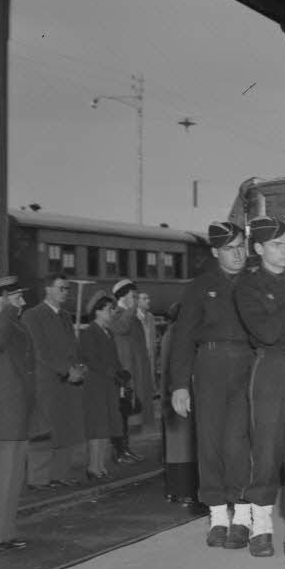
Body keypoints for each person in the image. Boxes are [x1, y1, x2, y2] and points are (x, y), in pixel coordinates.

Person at [168, 221, 253, 549]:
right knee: (210, 441)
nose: (238, 254)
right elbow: (184, 336)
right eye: (230, 248)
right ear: (216, 251)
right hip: (210, 367)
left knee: (239, 441)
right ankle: (218, 516)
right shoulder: (200, 286)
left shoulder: (254, 282)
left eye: (242, 246)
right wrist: (179, 384)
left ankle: (243, 516)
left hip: (247, 364)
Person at [234, 216, 285, 559]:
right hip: (270, 368)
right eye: (277, 245)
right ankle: (261, 527)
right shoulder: (248, 286)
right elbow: (268, 332)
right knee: (266, 451)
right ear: (259, 248)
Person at [22, 273, 87, 489]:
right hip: (46, 382)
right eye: (61, 288)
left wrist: (79, 367)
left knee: (65, 428)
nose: (65, 292)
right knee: (44, 430)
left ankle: (59, 475)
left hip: (67, 382)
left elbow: (73, 347)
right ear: (47, 289)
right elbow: (39, 350)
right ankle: (38, 479)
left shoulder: (66, 316)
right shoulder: (32, 316)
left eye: (67, 289)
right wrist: (67, 370)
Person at [0, 275, 35, 551]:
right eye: (16, 297)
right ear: (2, 299)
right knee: (4, 477)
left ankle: (6, 531)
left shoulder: (13, 322)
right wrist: (6, 310)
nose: (23, 301)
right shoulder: (0, 321)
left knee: (13, 476)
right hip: (5, 412)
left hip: (18, 409)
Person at [108, 278, 154, 463]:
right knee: (121, 414)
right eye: (132, 296)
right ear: (123, 297)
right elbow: (121, 328)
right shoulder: (116, 314)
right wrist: (131, 309)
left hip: (134, 371)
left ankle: (125, 449)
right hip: (123, 374)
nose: (136, 300)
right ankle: (119, 452)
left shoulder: (131, 315)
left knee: (127, 413)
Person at [80, 292, 125, 481]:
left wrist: (121, 375)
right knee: (97, 427)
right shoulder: (90, 332)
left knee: (105, 426)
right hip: (96, 386)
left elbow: (114, 359)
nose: (112, 313)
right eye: (108, 310)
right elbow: (91, 359)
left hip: (107, 385)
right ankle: (93, 466)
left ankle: (100, 465)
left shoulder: (108, 332)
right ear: (97, 312)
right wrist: (112, 373)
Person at [158, 302, 199, 506]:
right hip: (181, 397)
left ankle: (173, 491)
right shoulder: (181, 335)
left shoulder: (168, 333)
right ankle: (186, 492)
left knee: (174, 448)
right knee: (186, 446)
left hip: (169, 396)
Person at [136, 289, 158, 382]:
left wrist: (154, 350)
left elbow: (153, 336)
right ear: (137, 301)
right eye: (144, 299)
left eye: (148, 298)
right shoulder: (134, 317)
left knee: (151, 376)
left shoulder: (151, 317)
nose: (148, 301)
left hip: (151, 354)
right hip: (140, 355)